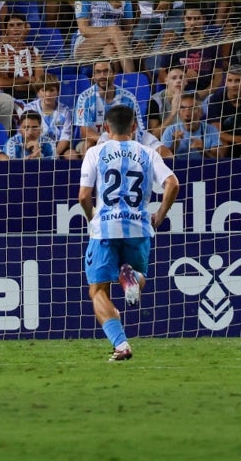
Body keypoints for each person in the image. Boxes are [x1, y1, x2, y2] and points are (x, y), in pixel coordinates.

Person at [78, 104, 179, 362]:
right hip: (139, 226)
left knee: (98, 290)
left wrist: (93, 218)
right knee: (138, 276)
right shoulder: (148, 153)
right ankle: (131, 276)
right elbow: (172, 183)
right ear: (135, 127)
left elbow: (83, 196)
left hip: (105, 228)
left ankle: (121, 344)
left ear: (105, 128)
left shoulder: (95, 152)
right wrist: (160, 215)